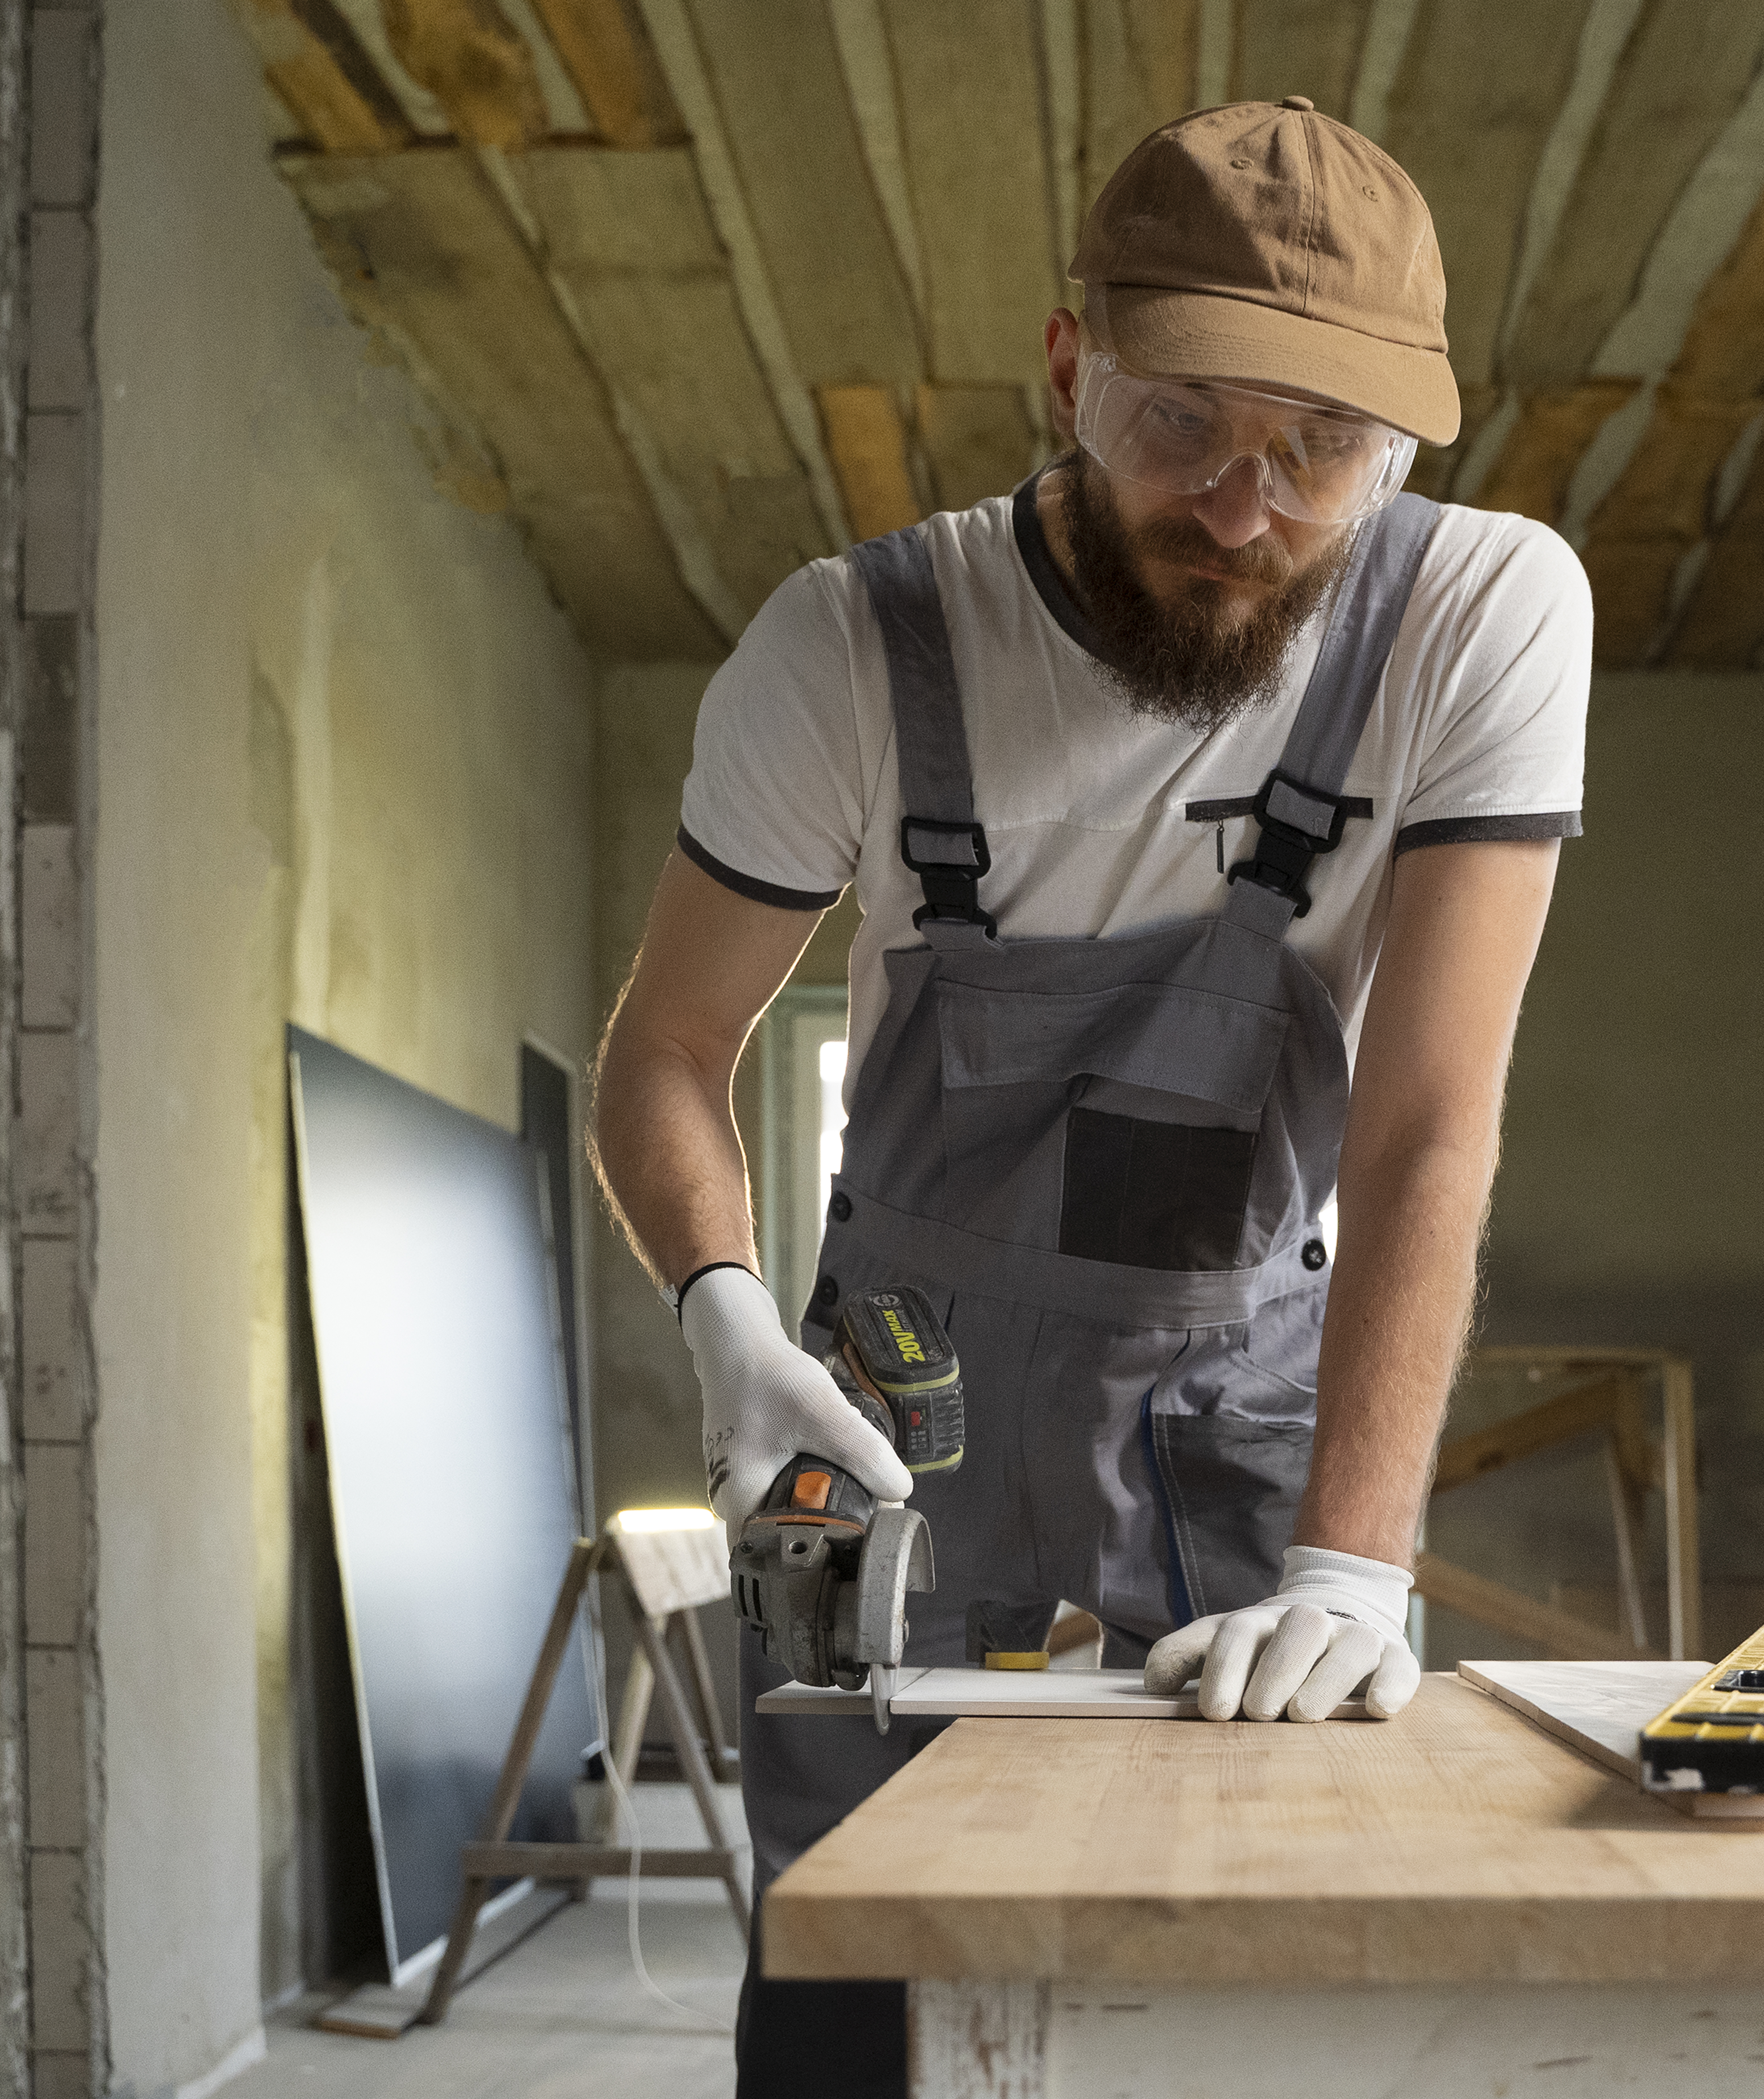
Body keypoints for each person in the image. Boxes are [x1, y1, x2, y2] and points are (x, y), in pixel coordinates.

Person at [591, 95, 1589, 2095]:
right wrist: (723, 1320)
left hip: (1242, 1408)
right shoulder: (851, 647)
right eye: (1183, 425)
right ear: (1070, 370)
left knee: (1265, 1976)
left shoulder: (1480, 612)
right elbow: (666, 1055)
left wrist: (1353, 1560)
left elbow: (1423, 1129)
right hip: (885, 1421)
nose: (1243, 504)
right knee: (851, 1978)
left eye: (1323, 452)